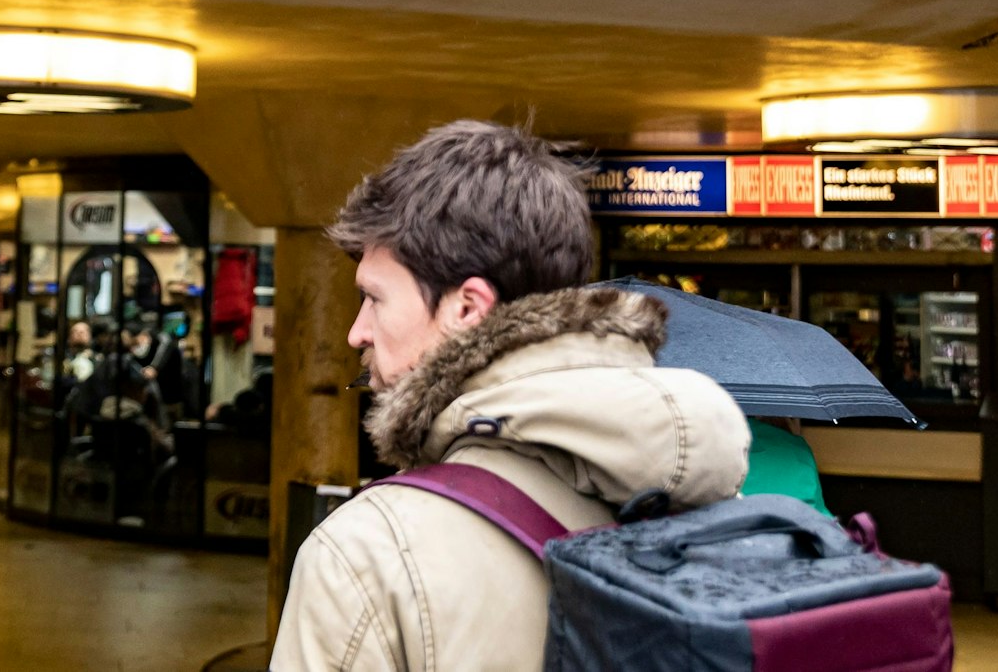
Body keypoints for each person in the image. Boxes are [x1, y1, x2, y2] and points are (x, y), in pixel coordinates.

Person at [270, 121, 751, 672]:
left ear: (467, 308)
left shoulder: (366, 552)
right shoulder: (719, 505)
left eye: (374, 299)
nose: (357, 332)